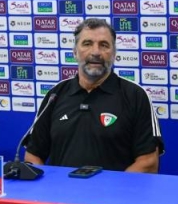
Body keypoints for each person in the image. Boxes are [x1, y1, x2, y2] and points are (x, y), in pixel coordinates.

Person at [25, 18, 163, 172]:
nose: (96, 52)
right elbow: (33, 156)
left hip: (116, 188)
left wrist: (113, 188)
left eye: (104, 45)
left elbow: (148, 162)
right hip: (61, 188)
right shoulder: (55, 95)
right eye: (87, 44)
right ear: (75, 52)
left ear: (114, 53)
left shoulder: (135, 96)